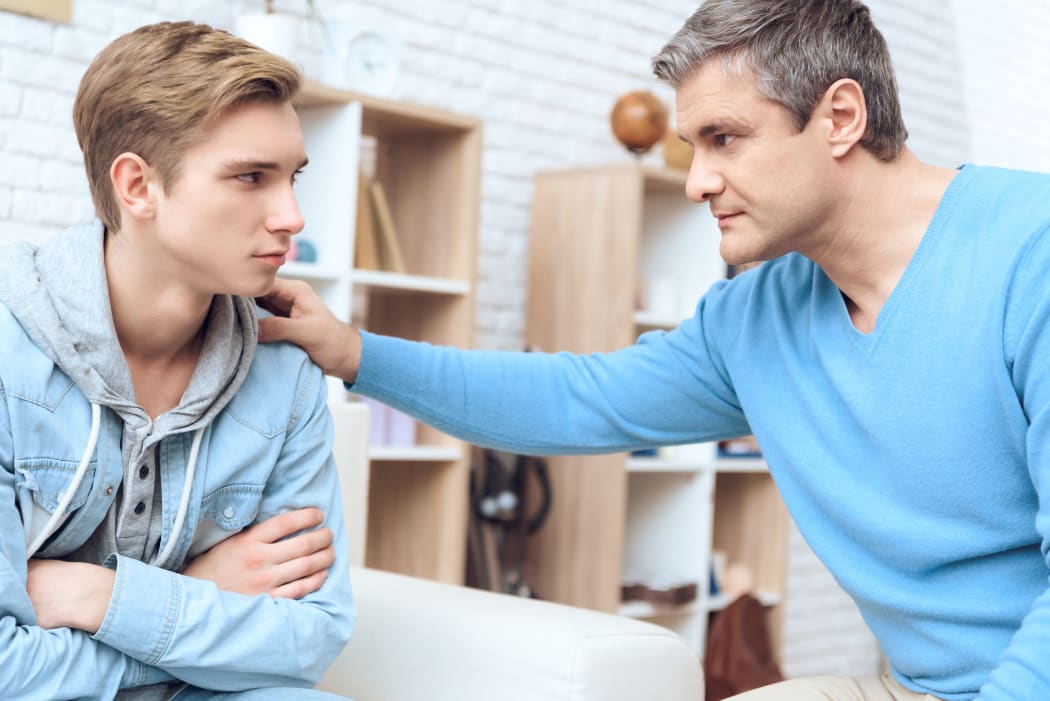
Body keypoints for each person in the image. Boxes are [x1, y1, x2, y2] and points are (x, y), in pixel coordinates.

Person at [257, 1, 1050, 700]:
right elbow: (576, 399)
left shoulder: (1029, 255)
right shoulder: (755, 317)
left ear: (840, 117)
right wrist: (353, 351)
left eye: (725, 139)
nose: (697, 181)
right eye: (691, 145)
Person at [0, 21, 355, 701]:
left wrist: (103, 596)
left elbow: (310, 637)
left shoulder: (286, 369)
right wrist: (191, 597)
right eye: (250, 176)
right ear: (138, 186)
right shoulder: (8, 351)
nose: (291, 217)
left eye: (292, 178)